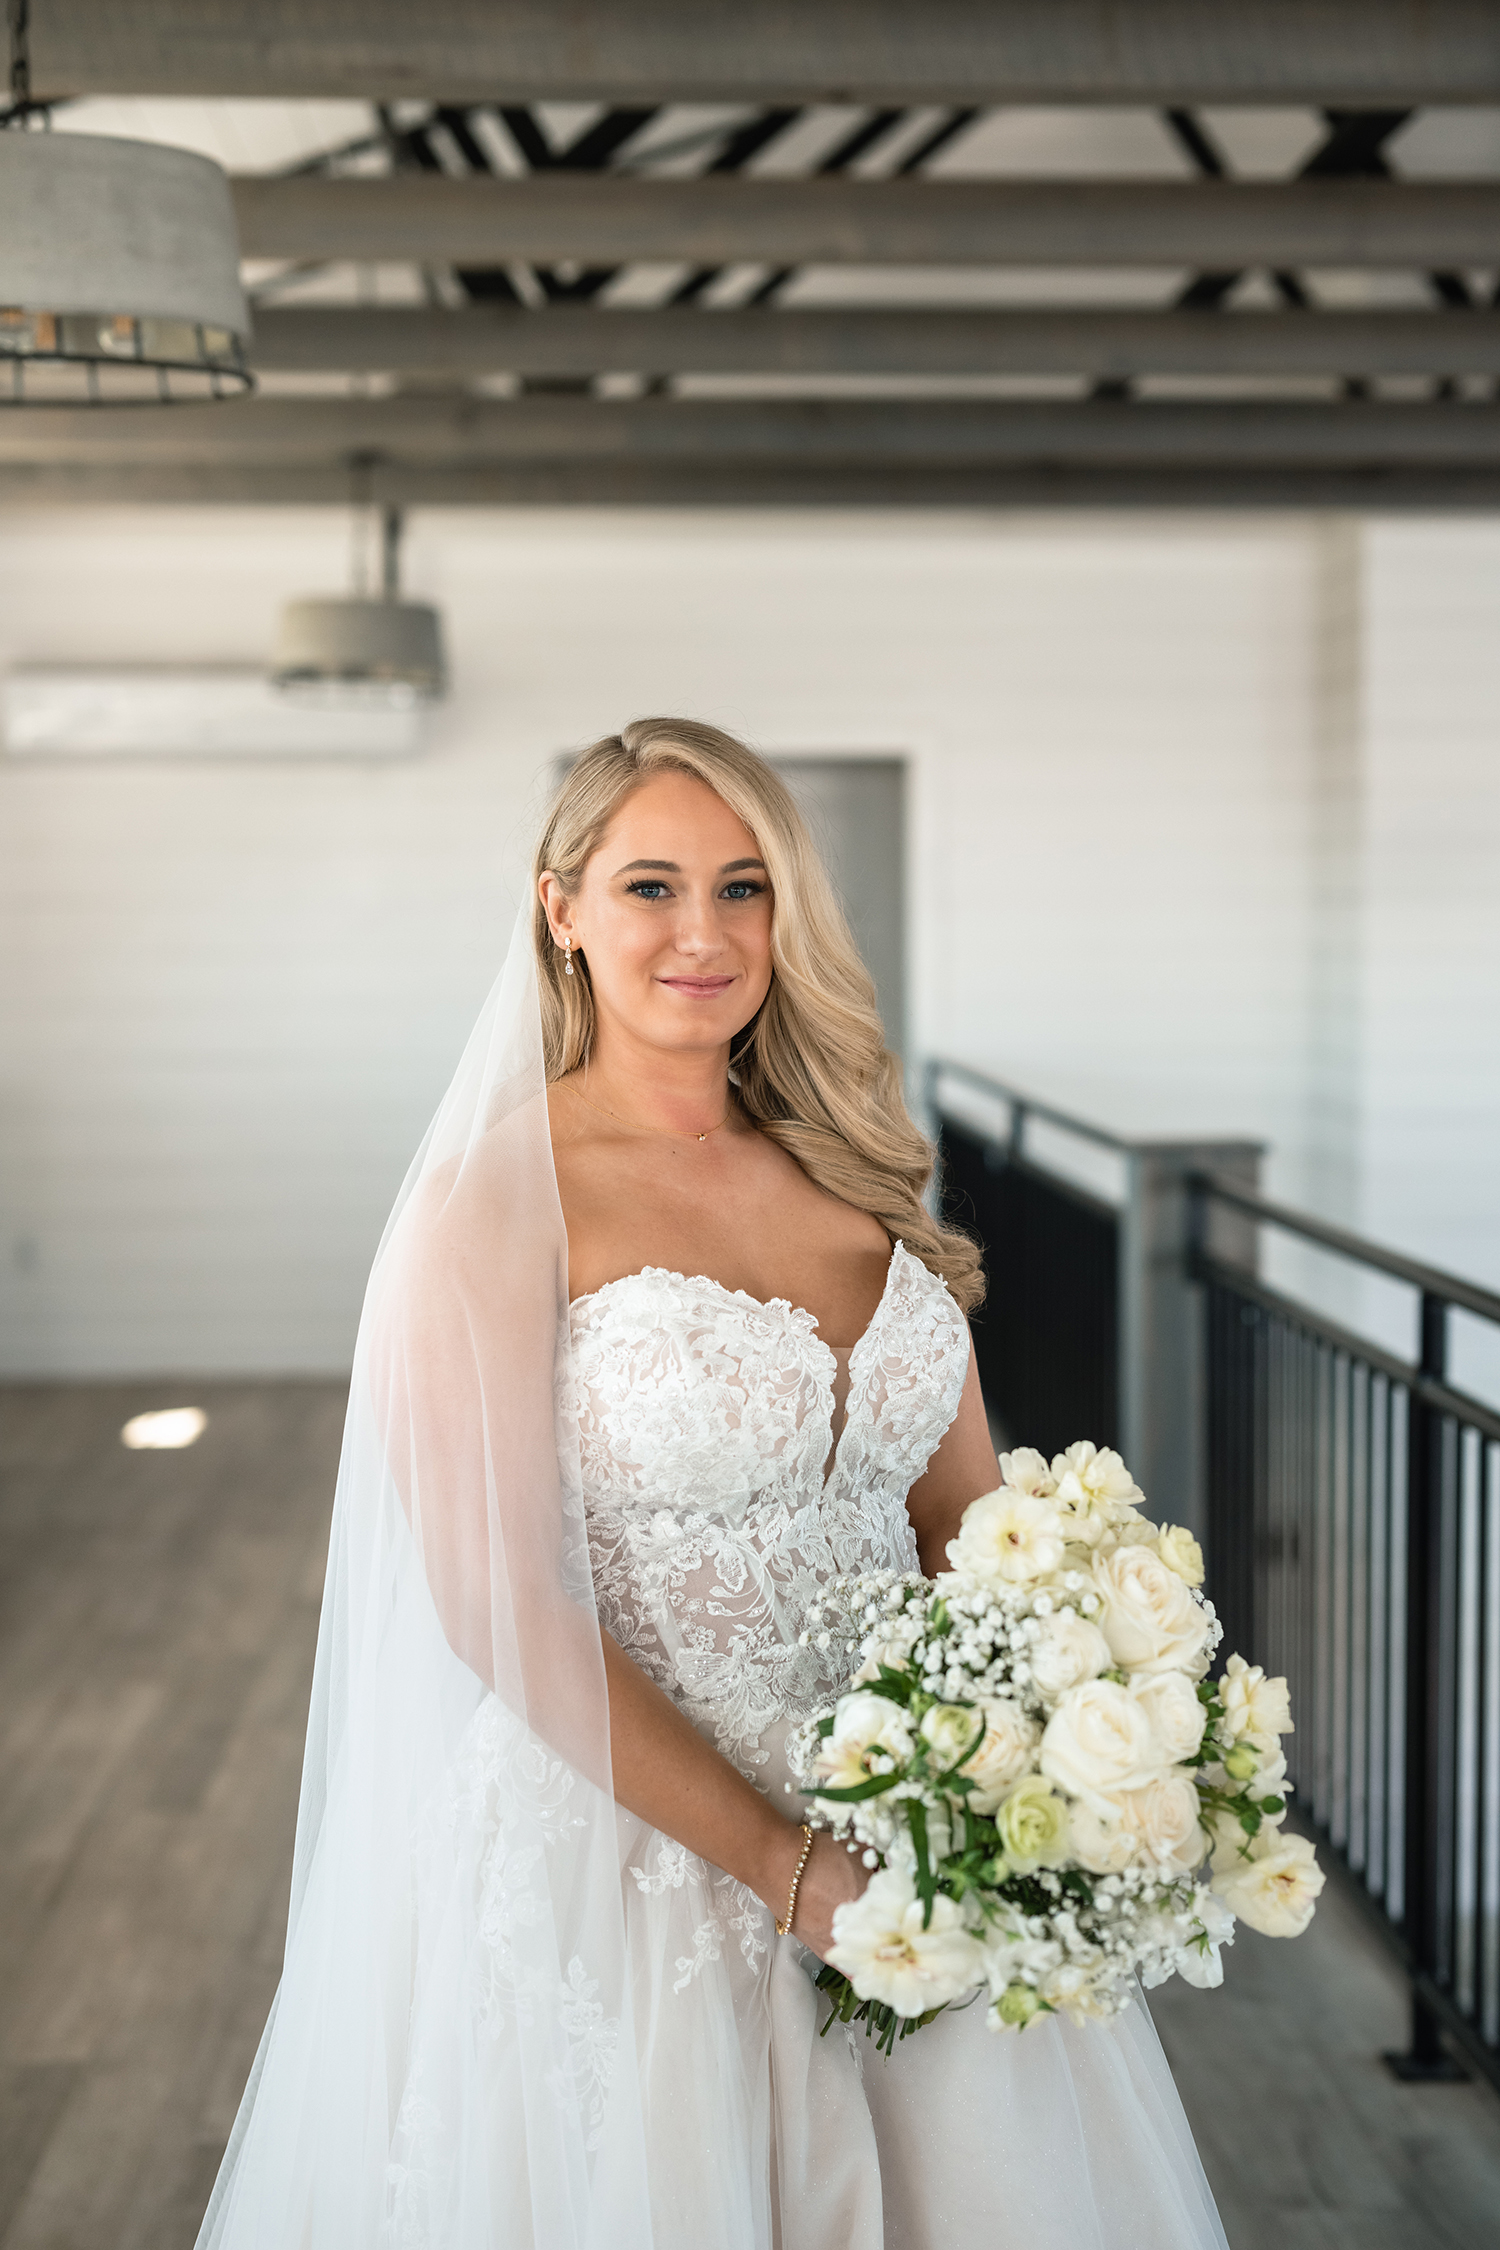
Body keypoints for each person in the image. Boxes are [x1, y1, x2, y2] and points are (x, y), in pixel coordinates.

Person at [197, 719, 1227, 2249]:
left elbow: (964, 1517)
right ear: (560, 908)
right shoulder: (493, 1198)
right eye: (651, 886)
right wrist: (783, 1863)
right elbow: (497, 1597)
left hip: (909, 1829)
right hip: (627, 1857)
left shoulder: (856, 1169)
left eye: (743, 888)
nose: (703, 932)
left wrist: (1058, 1751)